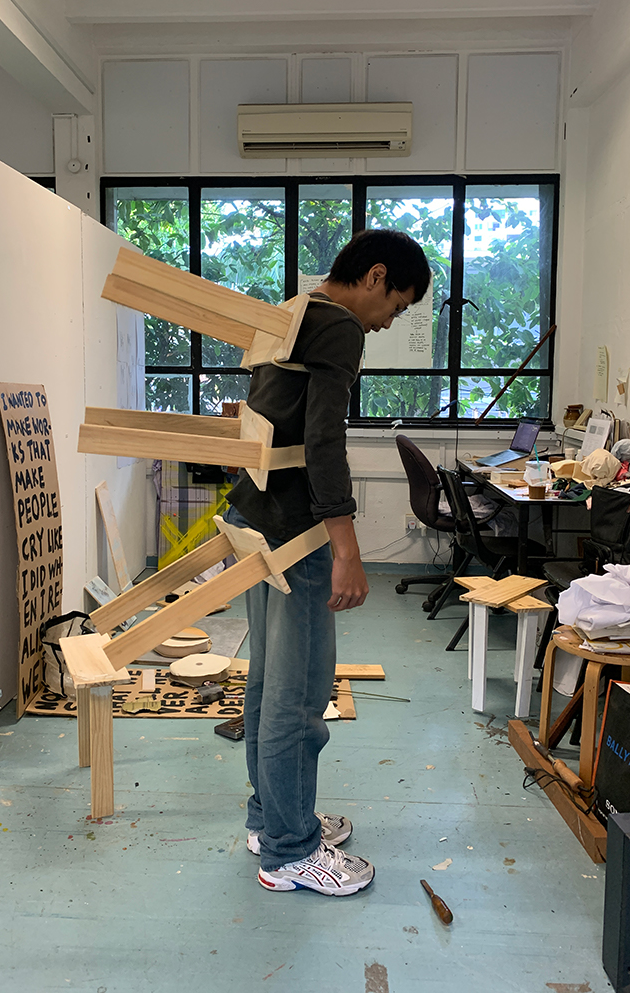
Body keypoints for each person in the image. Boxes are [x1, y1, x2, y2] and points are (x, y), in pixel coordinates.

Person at [225, 228, 431, 896]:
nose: (389, 320)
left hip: (254, 515)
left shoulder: (295, 309)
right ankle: (290, 852)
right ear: (375, 276)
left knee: (268, 686)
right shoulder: (340, 326)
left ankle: (271, 819)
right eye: (397, 305)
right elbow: (323, 441)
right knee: (300, 698)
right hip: (296, 533)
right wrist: (347, 548)